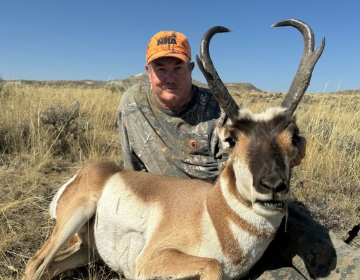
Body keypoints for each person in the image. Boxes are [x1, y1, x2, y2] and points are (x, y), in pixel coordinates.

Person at [117, 30, 360, 279]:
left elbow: (254, 140)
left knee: (306, 232)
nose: (170, 77)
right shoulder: (132, 105)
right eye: (161, 68)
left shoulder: (215, 109)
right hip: (180, 214)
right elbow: (131, 167)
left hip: (231, 198)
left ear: (190, 68)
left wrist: (291, 143)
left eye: (177, 68)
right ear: (148, 71)